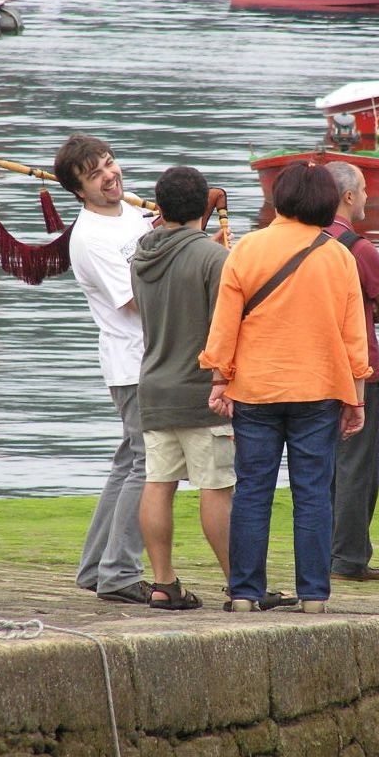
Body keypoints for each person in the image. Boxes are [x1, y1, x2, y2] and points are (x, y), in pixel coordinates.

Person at [200, 163, 371, 613]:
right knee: (313, 492)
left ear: (280, 198)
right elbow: (354, 335)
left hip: (256, 387)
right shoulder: (339, 256)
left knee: (252, 489)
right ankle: (313, 593)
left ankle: (244, 592)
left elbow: (224, 324)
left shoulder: (247, 249)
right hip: (319, 388)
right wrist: (356, 395)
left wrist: (220, 378)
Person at [53, 134, 152, 605]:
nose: (110, 176)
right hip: (134, 361)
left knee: (129, 462)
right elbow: (135, 302)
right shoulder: (90, 238)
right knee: (149, 463)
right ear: (79, 191)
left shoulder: (132, 213)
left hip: (151, 356)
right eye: (96, 175)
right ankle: (118, 571)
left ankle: (96, 566)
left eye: (110, 164)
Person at [130, 167, 233, 610]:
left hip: (153, 384)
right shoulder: (213, 258)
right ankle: (239, 581)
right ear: (204, 206)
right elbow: (225, 327)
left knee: (158, 483)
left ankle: (162, 581)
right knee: (216, 487)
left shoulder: (141, 255)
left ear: (161, 205)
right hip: (199, 389)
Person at [324, 162, 379, 583]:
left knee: (324, 465)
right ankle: (350, 557)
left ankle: (322, 549)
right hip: (360, 367)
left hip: (316, 368)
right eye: (365, 190)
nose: (369, 197)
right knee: (358, 467)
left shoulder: (310, 242)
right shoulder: (360, 248)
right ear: (349, 196)